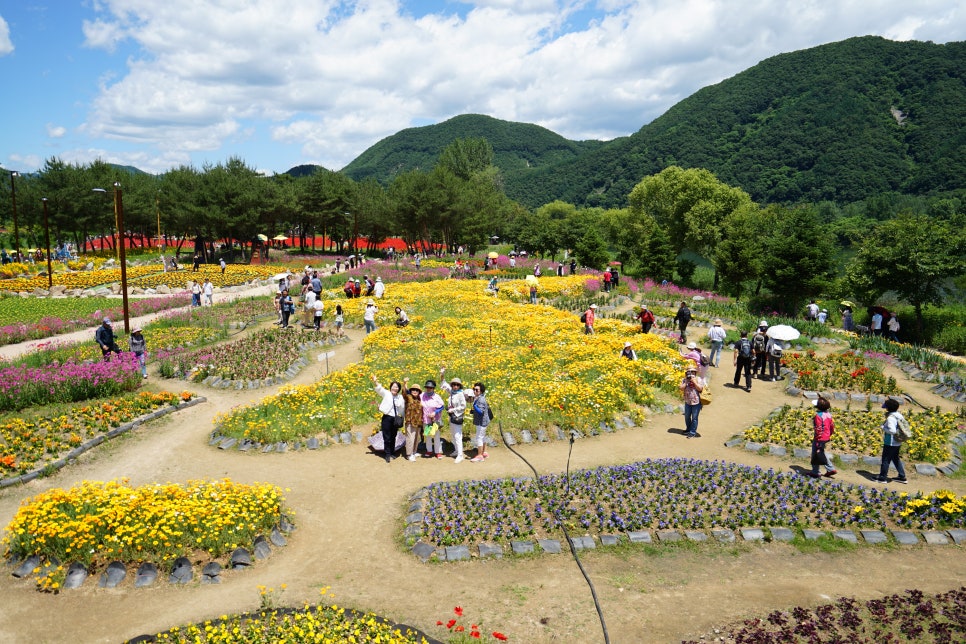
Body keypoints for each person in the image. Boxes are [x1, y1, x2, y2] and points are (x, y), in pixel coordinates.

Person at [371, 375, 405, 464]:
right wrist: (375, 381)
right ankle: (387, 454)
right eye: (393, 386)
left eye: (397, 387)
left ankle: (392, 452)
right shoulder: (386, 393)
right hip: (387, 417)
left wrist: (402, 416)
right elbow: (379, 389)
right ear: (391, 387)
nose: (395, 388)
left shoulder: (400, 397)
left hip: (395, 419)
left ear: (399, 389)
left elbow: (402, 407)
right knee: (387, 437)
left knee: (393, 436)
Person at [439, 370, 467, 463]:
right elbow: (443, 383)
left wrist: (453, 410)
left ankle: (460, 455)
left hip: (457, 416)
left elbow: (463, 406)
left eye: (457, 385)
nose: (455, 386)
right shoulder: (452, 392)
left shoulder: (460, 394)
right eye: (454, 384)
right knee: (453, 434)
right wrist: (442, 374)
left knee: (458, 435)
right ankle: (456, 451)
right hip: (451, 416)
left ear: (459, 386)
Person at [877, 399, 908, 483]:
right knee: (895, 458)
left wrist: (883, 427)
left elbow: (892, 431)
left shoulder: (891, 418)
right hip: (898, 441)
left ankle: (882, 478)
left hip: (890, 442)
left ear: (887, 408)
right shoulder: (899, 415)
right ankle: (902, 477)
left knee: (886, 460)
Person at [806, 396, 837, 478]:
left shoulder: (818, 416)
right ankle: (829, 469)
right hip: (826, 436)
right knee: (821, 452)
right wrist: (830, 434)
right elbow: (832, 426)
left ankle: (816, 471)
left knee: (815, 453)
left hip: (819, 438)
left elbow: (818, 428)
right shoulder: (829, 415)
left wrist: (818, 438)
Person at [420, 379, 445, 459]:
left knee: (436, 436)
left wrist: (435, 412)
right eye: (427, 387)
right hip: (426, 420)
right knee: (428, 436)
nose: (428, 389)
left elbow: (442, 406)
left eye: (430, 387)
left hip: (435, 420)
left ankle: (438, 452)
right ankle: (429, 450)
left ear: (433, 388)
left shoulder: (437, 397)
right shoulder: (422, 395)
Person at [679, 364, 705, 438]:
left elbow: (700, 389)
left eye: (693, 372)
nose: (691, 374)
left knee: (694, 418)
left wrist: (694, 382)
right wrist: (686, 382)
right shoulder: (685, 380)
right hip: (687, 401)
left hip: (696, 402)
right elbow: (681, 388)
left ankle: (692, 432)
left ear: (695, 372)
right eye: (689, 372)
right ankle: (688, 429)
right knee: (687, 416)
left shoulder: (698, 379)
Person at [401, 381, 423, 460]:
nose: (415, 391)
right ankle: (409, 454)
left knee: (417, 438)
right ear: (410, 391)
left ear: (419, 392)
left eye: (417, 390)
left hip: (419, 422)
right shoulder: (408, 397)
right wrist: (404, 384)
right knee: (410, 438)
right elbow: (404, 393)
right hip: (410, 422)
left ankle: (414, 451)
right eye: (413, 389)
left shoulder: (420, 399)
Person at [469, 382, 491, 462]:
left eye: (476, 390)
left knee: (479, 438)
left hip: (481, 422)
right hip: (483, 421)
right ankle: (484, 452)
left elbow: (481, 411)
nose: (474, 391)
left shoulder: (481, 399)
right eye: (474, 389)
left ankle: (479, 455)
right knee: (483, 437)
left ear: (481, 391)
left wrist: (474, 406)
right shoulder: (479, 397)